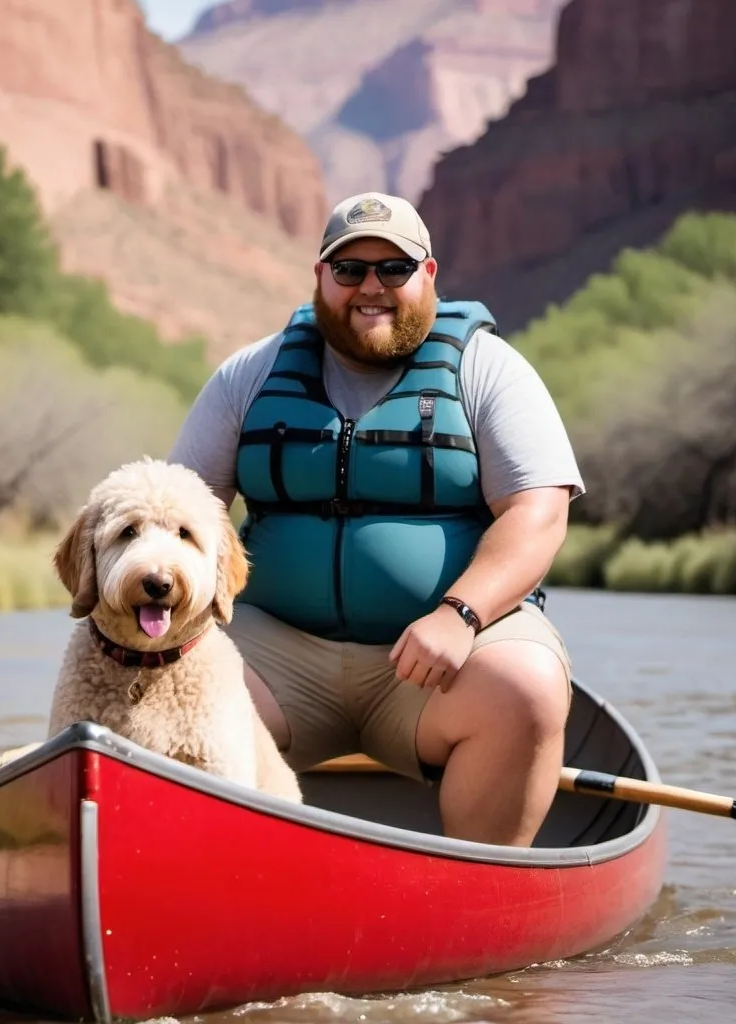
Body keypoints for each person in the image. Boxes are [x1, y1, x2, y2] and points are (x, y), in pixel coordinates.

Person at [169, 191, 584, 847]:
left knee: (527, 687)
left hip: (438, 666)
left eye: (393, 269)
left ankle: (476, 903)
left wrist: (461, 614)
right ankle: (208, 880)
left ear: (429, 275)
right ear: (320, 278)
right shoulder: (248, 375)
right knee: (167, 678)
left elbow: (539, 512)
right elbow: (180, 510)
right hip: (279, 659)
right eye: (349, 269)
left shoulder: (489, 370)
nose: (372, 287)